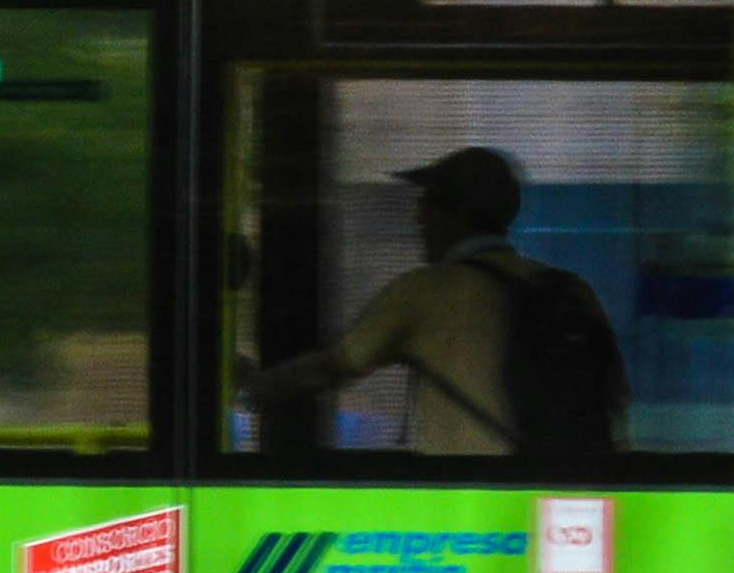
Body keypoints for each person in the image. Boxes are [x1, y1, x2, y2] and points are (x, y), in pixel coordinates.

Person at [242, 144, 607, 460]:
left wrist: (255, 386)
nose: (418, 218)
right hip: (553, 504)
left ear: (460, 215)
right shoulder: (573, 290)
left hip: (463, 505)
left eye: (428, 203)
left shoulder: (424, 292)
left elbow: (332, 367)